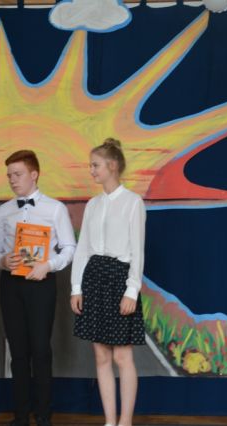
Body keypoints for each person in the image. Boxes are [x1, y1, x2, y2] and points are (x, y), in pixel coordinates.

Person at [0, 150, 76, 426]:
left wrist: (48, 265)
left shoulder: (55, 209)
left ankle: (43, 414)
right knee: (17, 352)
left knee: (40, 349)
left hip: (41, 284)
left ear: (34, 174)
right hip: (10, 285)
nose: (12, 180)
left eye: (17, 174)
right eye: (9, 176)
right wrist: (3, 260)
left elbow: (70, 248)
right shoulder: (4, 211)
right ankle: (20, 416)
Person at [70, 138, 146, 426]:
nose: (91, 170)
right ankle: (110, 421)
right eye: (91, 165)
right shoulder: (93, 204)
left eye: (95, 165)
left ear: (112, 166)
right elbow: (83, 249)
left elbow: (137, 251)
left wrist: (131, 290)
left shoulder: (133, 202)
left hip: (119, 279)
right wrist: (76, 288)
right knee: (101, 356)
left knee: (122, 357)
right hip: (94, 278)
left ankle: (125, 421)